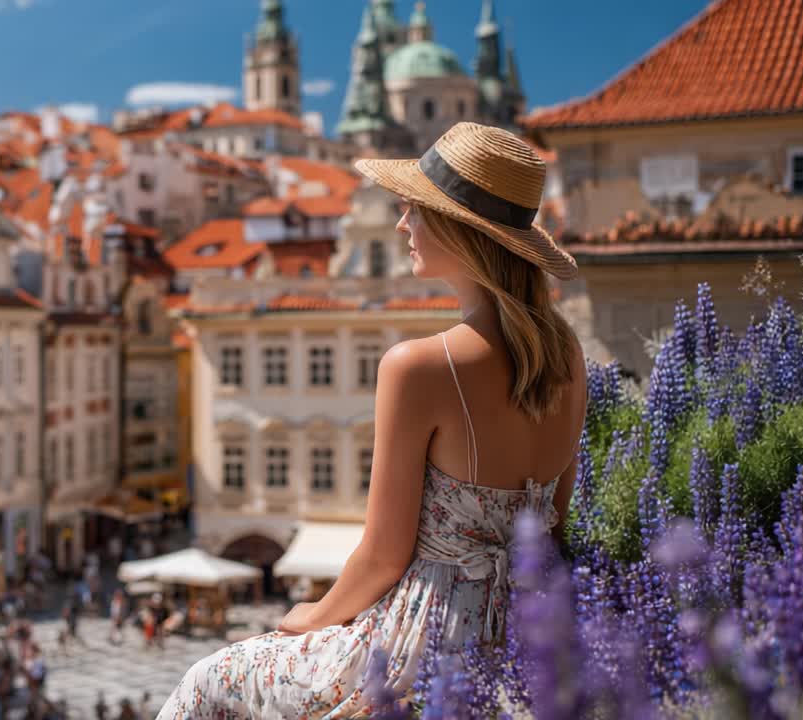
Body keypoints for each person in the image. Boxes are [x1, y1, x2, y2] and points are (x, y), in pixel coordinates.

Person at [156, 122, 588, 718]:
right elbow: (556, 527)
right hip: (531, 632)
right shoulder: (568, 357)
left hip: (429, 643)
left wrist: (309, 616)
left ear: (458, 229)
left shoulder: (418, 366)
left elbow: (384, 555)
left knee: (209, 680)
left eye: (414, 208)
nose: (401, 223)